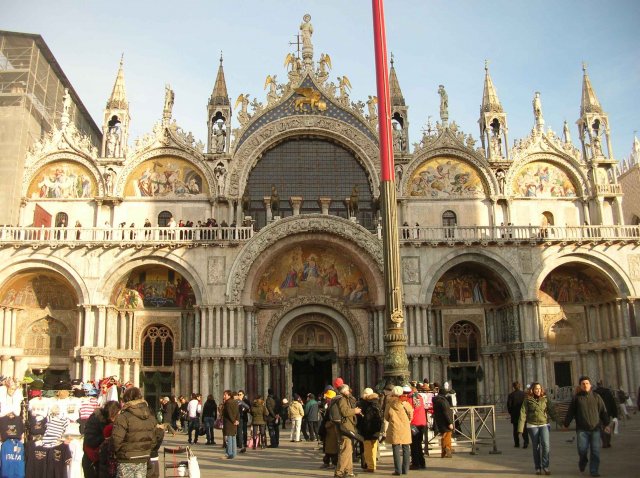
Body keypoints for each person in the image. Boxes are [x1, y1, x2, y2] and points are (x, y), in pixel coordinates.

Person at [563, 376, 610, 478]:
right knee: (582, 450)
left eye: (587, 383)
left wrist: (606, 424)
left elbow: (603, 411)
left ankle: (594, 470)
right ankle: (583, 460)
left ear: (590, 385)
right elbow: (571, 412)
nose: (585, 385)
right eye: (583, 384)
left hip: (595, 428)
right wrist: (566, 423)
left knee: (595, 451)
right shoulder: (576, 398)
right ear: (580, 386)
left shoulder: (597, 397)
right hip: (582, 429)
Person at [111, 387, 158, 478]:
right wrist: (145, 450)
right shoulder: (150, 417)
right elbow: (154, 440)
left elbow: (116, 440)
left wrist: (119, 453)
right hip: (143, 458)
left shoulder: (123, 417)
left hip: (126, 459)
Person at [518, 382, 557, 476]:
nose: (538, 390)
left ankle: (545, 466)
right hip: (532, 425)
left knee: (546, 445)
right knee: (536, 447)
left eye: (539, 388)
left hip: (544, 424)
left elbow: (551, 410)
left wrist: (560, 422)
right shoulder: (527, 399)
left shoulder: (545, 399)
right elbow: (523, 413)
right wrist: (520, 428)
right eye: (536, 389)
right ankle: (538, 467)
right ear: (532, 390)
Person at [82, 401, 120, 478]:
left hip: (106, 462)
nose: (114, 419)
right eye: (114, 416)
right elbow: (90, 440)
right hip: (93, 460)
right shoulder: (96, 419)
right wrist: (106, 437)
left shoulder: (117, 421)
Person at [384, 385, 413, 476]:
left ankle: (398, 470)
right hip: (405, 427)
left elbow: (386, 417)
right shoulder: (405, 402)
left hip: (394, 427)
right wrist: (408, 420)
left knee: (395, 448)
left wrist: (393, 420)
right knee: (406, 447)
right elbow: (411, 413)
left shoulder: (389, 403)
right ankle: (405, 469)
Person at [335, 384, 361, 478]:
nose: (349, 391)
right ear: (344, 391)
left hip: (349, 427)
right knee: (345, 451)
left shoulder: (347, 399)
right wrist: (355, 411)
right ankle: (339, 472)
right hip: (345, 428)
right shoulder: (342, 399)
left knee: (349, 451)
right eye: (348, 390)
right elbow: (344, 412)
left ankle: (349, 471)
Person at [357, 387, 383, 473]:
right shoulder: (378, 404)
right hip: (376, 431)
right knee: (374, 448)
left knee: (367, 449)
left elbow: (366, 420)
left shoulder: (366, 405)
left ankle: (369, 466)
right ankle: (373, 464)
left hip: (367, 431)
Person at [432, 382, 454, 458]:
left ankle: (444, 452)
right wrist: (450, 423)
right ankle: (447, 448)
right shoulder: (443, 401)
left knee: (445, 436)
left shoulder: (436, 400)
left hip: (439, 421)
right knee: (447, 435)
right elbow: (445, 412)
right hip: (445, 421)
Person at [408, 385, 427, 470]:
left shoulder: (410, 398)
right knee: (419, 443)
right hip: (422, 423)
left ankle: (416, 463)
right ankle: (422, 462)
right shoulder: (420, 397)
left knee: (414, 444)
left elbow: (409, 411)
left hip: (414, 424)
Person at [593, 381, 618, 447]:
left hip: (598, 413)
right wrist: (615, 414)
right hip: (607, 412)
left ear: (597, 385)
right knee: (607, 426)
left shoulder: (594, 393)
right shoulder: (608, 392)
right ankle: (608, 441)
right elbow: (612, 403)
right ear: (602, 384)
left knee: (601, 428)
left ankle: (604, 442)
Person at [507, 381, 529, 448]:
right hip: (523, 414)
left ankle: (517, 443)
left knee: (515, 429)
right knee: (524, 429)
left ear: (513, 387)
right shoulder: (524, 394)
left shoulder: (511, 395)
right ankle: (526, 442)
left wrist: (511, 413)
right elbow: (527, 404)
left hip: (515, 414)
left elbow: (509, 406)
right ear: (520, 386)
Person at [221, 389, 240, 459]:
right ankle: (234, 453)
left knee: (229, 438)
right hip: (234, 423)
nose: (224, 396)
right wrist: (237, 420)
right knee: (233, 438)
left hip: (229, 423)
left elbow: (229, 413)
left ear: (229, 395)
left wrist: (233, 421)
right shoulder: (235, 402)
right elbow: (238, 412)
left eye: (225, 395)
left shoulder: (228, 403)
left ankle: (229, 453)